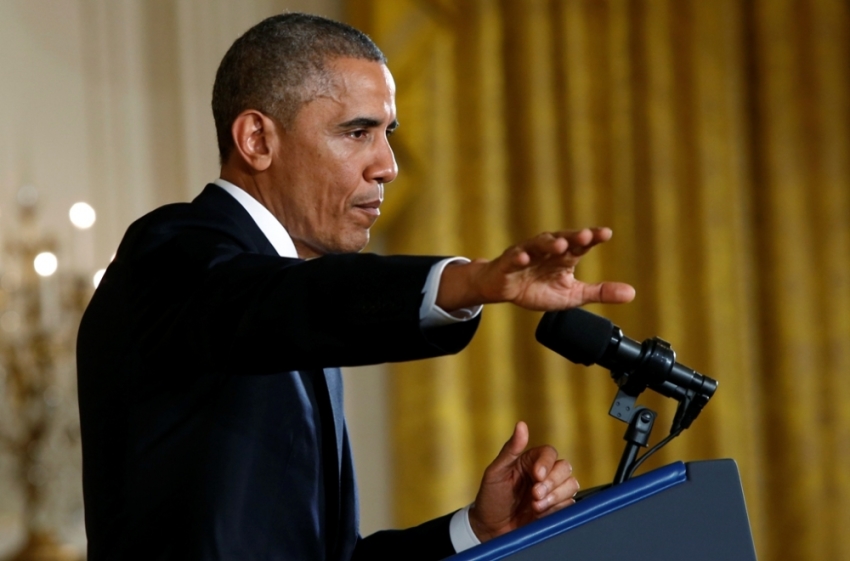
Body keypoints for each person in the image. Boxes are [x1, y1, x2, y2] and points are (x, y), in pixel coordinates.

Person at [76, 12, 635, 561]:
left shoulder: (298, 305)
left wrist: (479, 531)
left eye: (386, 134)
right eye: (358, 132)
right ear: (257, 139)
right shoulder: (171, 253)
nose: (388, 166)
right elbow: (285, 301)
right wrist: (468, 281)